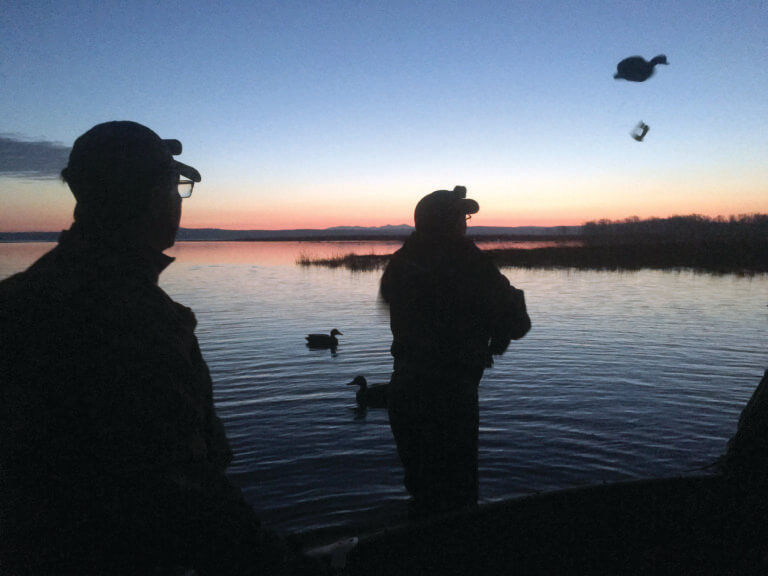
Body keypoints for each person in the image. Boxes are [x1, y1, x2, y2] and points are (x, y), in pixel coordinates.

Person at [0, 121, 314, 575]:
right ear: (153, 196)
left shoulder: (22, 298)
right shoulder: (131, 319)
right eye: (176, 186)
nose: (178, 202)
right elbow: (178, 488)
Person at [380, 186, 531, 517]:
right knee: (458, 502)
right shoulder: (468, 263)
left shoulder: (402, 262)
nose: (466, 224)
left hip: (405, 394)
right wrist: (508, 311)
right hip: (450, 398)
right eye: (461, 217)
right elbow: (517, 323)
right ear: (448, 223)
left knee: (424, 497)